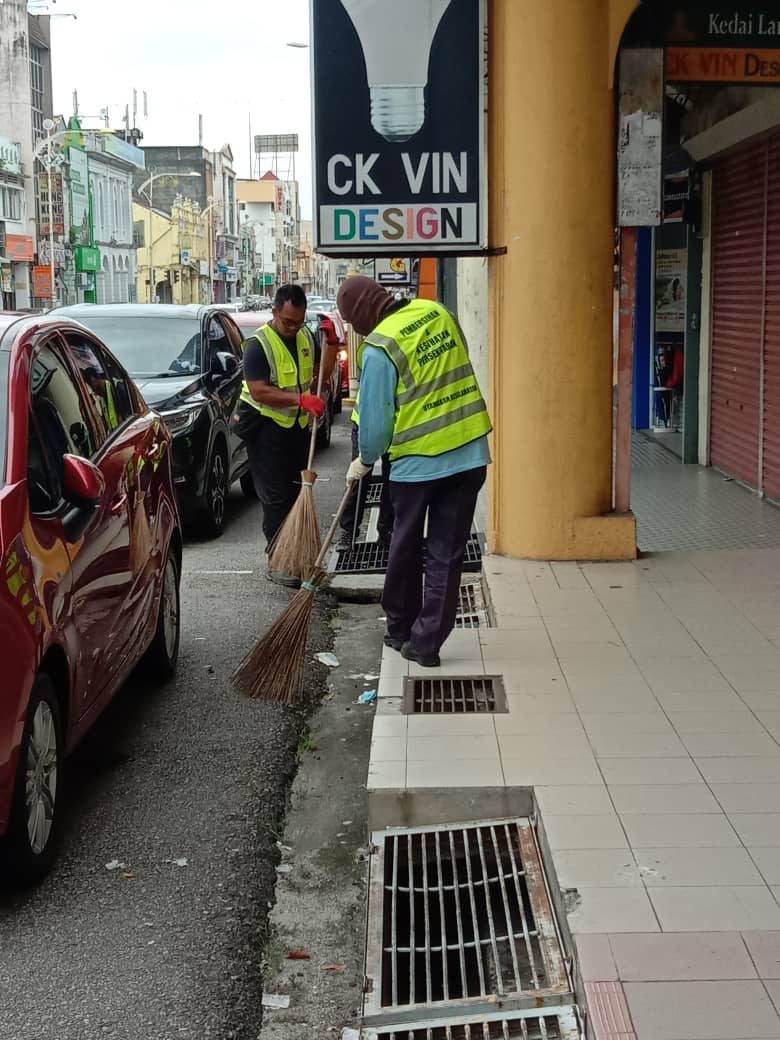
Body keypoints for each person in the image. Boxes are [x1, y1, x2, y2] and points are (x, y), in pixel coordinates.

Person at [337, 276, 491, 668]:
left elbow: (375, 424)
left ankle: (401, 628)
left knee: (403, 548)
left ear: (362, 316)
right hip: (468, 454)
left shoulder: (379, 348)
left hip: (416, 467)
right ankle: (426, 644)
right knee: (446, 553)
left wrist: (364, 460)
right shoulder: (438, 311)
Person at [236, 285, 333, 555]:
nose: (293, 327)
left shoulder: (305, 338)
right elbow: (259, 390)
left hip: (297, 429)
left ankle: (295, 551)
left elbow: (320, 374)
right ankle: (278, 556)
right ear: (275, 311)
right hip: (266, 429)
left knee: (295, 492)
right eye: (287, 321)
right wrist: (300, 400)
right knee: (275, 498)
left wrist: (333, 346)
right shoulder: (258, 345)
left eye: (299, 322)